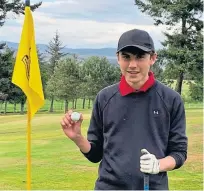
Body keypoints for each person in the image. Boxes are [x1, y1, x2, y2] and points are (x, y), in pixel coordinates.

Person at [60, 29, 188, 190]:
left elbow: (179, 153)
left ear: (153, 58)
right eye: (126, 57)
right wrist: (77, 138)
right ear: (118, 58)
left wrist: (158, 164)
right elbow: (95, 154)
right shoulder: (104, 98)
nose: (132, 65)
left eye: (140, 57)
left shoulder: (170, 99)